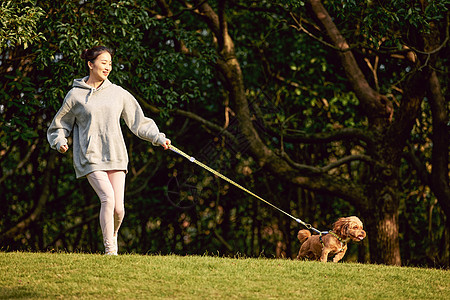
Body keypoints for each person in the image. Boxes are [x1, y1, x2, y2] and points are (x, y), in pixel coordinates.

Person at [47, 46, 171, 255]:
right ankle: (110, 250)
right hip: (90, 156)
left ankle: (111, 235)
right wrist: (59, 141)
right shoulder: (75, 95)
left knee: (118, 209)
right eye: (103, 62)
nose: (107, 67)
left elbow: (138, 122)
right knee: (107, 198)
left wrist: (158, 137)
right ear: (90, 64)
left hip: (116, 155)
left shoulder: (118, 94)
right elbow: (60, 125)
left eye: (110, 64)